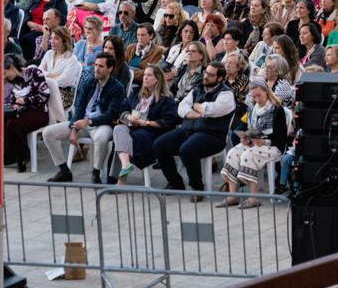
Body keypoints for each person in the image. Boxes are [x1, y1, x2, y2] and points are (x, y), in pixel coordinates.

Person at [152, 61, 235, 197]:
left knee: (187, 149)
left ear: (219, 78)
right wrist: (198, 112)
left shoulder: (226, 94)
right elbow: (181, 109)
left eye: (210, 75)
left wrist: (196, 106)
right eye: (206, 72)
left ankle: (197, 188)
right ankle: (176, 183)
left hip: (212, 135)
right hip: (189, 130)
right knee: (159, 145)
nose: (206, 76)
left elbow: (209, 110)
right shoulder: (198, 89)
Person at [43, 53, 127, 184]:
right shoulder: (90, 81)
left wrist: (89, 121)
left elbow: (111, 115)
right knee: (48, 133)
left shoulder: (117, 88)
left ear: (110, 69)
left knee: (101, 138)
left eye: (101, 66)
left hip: (101, 123)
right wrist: (74, 128)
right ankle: (64, 170)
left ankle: (96, 172)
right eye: (95, 65)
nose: (96, 69)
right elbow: (79, 106)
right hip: (82, 122)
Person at [218, 81, 290, 206]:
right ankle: (233, 195)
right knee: (233, 152)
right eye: (253, 96)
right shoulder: (252, 108)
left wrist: (264, 141)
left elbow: (281, 137)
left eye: (259, 95)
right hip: (255, 143)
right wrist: (246, 138)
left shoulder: (276, 110)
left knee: (248, 155)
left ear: (266, 91)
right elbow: (248, 128)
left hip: (273, 146)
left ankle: (253, 197)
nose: (257, 99)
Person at [111, 65, 179, 183]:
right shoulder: (136, 92)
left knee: (126, 140)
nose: (145, 78)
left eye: (149, 75)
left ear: (158, 79)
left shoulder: (166, 98)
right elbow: (123, 108)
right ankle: (126, 164)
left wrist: (146, 123)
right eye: (144, 75)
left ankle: (120, 180)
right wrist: (128, 116)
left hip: (151, 132)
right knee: (118, 129)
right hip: (132, 126)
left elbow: (170, 121)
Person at [3, 54, 52, 173]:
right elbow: (14, 98)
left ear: (11, 67)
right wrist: (14, 104)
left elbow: (45, 94)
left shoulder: (34, 72)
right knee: (3, 119)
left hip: (39, 111)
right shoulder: (13, 81)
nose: (4, 77)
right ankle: (11, 155)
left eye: (5, 73)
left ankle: (21, 157)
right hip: (23, 110)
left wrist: (26, 100)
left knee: (13, 124)